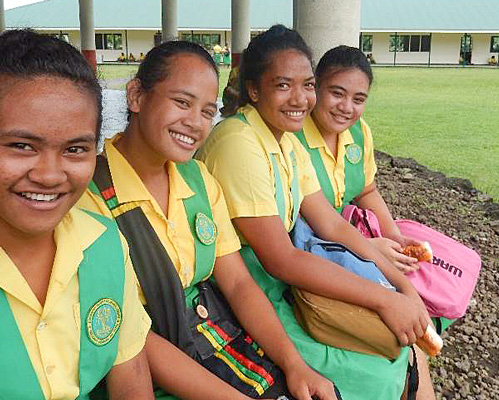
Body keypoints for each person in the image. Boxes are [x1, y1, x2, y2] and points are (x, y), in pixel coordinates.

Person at [78, 40, 339, 400]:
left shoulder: (198, 179)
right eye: (182, 102)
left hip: (213, 343)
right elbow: (133, 341)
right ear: (136, 96)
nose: (195, 123)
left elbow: (238, 285)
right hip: (144, 370)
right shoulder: (89, 197)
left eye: (207, 111)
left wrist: (295, 365)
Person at [198, 25, 431, 400]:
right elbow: (280, 259)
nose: (300, 98)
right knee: (380, 366)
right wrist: (385, 298)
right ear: (254, 90)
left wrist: (404, 288)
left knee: (404, 348)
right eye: (283, 85)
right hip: (239, 297)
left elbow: (334, 225)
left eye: (307, 85)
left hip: (282, 287)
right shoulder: (238, 143)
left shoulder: (286, 142)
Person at [0, 30, 153, 399]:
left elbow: (130, 371)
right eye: (22, 146)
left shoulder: (103, 242)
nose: (50, 175)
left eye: (75, 149)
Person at [296, 44, 436, 398]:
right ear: (315, 88)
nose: (347, 107)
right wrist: (370, 249)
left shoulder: (359, 134)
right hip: (309, 254)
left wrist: (394, 236)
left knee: (420, 313)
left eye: (359, 98)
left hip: (347, 244)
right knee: (400, 335)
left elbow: (366, 190)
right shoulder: (293, 139)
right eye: (336, 93)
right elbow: (314, 226)